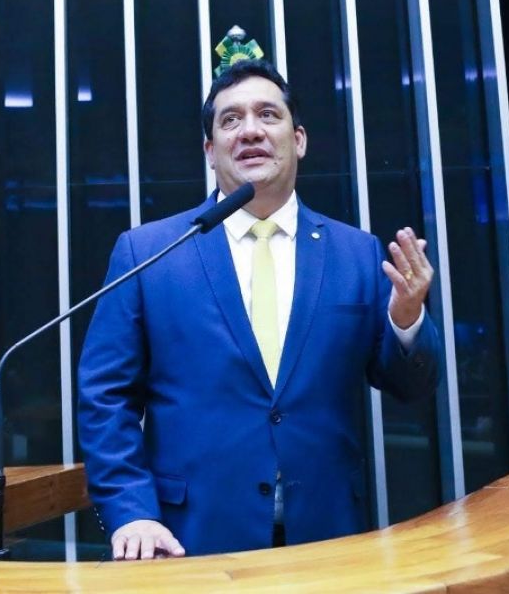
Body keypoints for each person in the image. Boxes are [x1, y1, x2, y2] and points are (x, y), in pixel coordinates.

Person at [78, 60, 440, 560]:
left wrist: (406, 319)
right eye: (230, 120)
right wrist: (130, 511)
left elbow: (410, 387)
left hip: (327, 535)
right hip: (190, 538)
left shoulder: (356, 253)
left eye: (268, 115)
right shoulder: (150, 253)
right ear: (210, 151)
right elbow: (105, 397)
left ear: (299, 139)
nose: (250, 130)